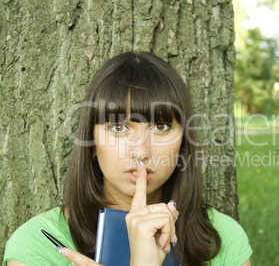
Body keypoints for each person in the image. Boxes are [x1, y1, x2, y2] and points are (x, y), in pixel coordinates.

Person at [3, 52, 252, 266]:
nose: (141, 151)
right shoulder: (37, 245)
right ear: (91, 142)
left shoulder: (220, 239)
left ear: (183, 143)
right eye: (119, 128)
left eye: (162, 126)